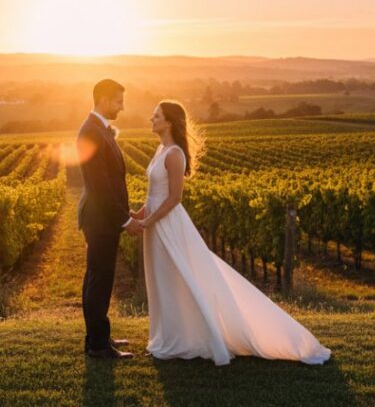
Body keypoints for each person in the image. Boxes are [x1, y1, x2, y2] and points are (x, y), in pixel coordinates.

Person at [132, 100, 332, 366]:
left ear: (168, 121)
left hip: (168, 224)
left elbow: (174, 198)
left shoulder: (174, 154)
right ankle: (168, 337)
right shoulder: (160, 149)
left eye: (156, 115)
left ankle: (184, 339)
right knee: (162, 278)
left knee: (177, 276)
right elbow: (154, 195)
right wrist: (139, 214)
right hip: (155, 223)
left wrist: (149, 221)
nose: (151, 119)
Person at [76, 78, 143, 359]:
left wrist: (123, 212)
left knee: (99, 277)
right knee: (99, 278)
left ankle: (99, 337)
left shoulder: (98, 129)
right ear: (104, 100)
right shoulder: (91, 132)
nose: (122, 107)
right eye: (119, 101)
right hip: (100, 218)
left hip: (103, 216)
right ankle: (98, 346)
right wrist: (125, 221)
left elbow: (111, 182)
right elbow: (101, 185)